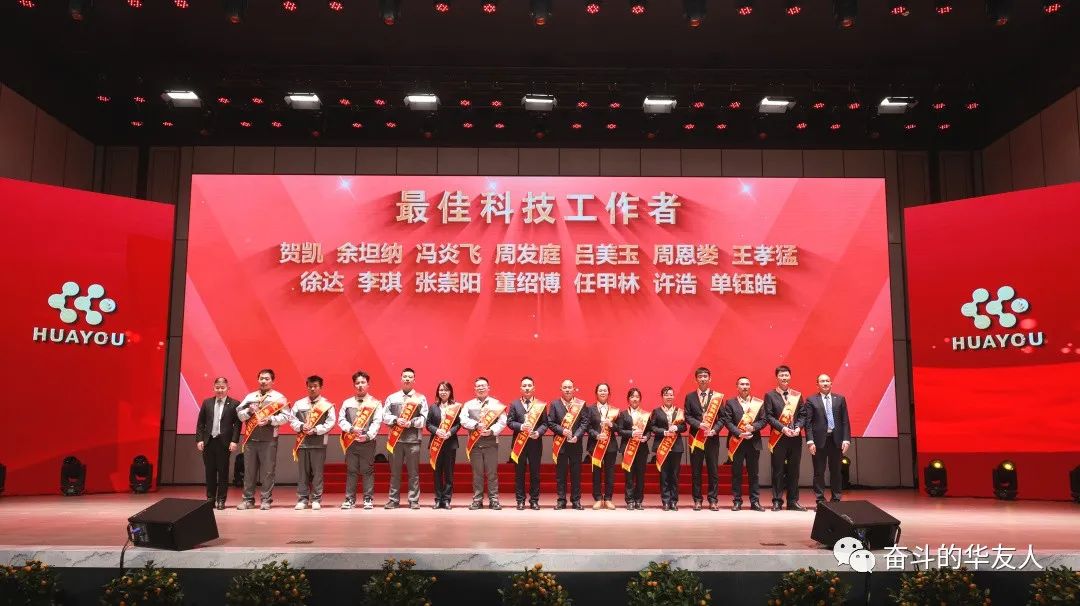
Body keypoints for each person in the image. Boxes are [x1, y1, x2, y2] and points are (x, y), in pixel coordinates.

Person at [236, 369, 290, 510]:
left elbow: (286, 417)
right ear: (258, 380)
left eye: (267, 378)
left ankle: (266, 500)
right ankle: (248, 500)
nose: (263, 381)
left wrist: (270, 420)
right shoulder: (250, 397)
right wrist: (249, 411)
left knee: (268, 471)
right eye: (261, 378)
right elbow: (239, 415)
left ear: (273, 381)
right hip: (251, 439)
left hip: (269, 440)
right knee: (249, 471)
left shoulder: (279, 398)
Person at [383, 367, 429, 510]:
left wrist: (411, 423)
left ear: (414, 380)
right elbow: (385, 416)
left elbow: (424, 418)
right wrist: (396, 420)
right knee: (395, 473)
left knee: (413, 473)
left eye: (410, 377)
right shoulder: (392, 397)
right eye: (405, 376)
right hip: (395, 440)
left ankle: (413, 500)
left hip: (413, 440)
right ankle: (393, 500)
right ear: (401, 379)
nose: (407, 379)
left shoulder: (420, 398)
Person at [764, 365, 809, 511]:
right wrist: (783, 428)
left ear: (790, 377)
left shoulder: (797, 395)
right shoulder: (770, 395)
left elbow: (803, 415)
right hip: (778, 437)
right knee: (778, 470)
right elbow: (769, 416)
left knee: (794, 470)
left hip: (795, 437)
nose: (784, 378)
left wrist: (798, 428)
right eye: (781, 375)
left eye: (786, 375)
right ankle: (777, 500)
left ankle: (793, 501)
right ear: (777, 377)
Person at [288, 375, 336, 511]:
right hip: (302, 443)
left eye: (315, 386)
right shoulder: (299, 404)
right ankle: (302, 499)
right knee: (303, 473)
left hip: (319, 443)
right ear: (307, 387)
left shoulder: (327, 405)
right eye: (310, 386)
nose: (312, 389)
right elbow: (292, 420)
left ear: (320, 387)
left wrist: (316, 430)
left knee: (317, 473)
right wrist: (301, 426)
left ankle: (316, 499)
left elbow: (330, 422)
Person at [459, 377, 508, 510]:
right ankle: (477, 500)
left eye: (483, 386)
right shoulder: (468, 404)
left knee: (492, 473)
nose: (481, 388)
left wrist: (491, 431)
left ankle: (494, 500)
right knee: (477, 473)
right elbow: (462, 419)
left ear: (488, 388)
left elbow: (503, 421)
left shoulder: (496, 404)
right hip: (475, 443)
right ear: (475, 389)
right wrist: (476, 425)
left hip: (491, 441)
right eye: (478, 386)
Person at [338, 370, 382, 510]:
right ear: (354, 385)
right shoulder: (347, 402)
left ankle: (368, 499)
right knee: (351, 470)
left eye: (363, 382)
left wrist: (368, 436)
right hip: (351, 441)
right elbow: (341, 420)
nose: (360, 385)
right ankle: (349, 499)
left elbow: (377, 422)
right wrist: (351, 429)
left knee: (367, 470)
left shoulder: (375, 403)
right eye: (357, 383)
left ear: (368, 384)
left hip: (367, 441)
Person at [721, 377, 767, 512]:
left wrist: (753, 427)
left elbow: (764, 420)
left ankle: (755, 502)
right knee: (736, 473)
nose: (745, 386)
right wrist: (739, 433)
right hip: (736, 442)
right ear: (737, 387)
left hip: (753, 442)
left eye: (747, 384)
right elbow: (727, 421)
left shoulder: (758, 403)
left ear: (750, 386)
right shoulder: (730, 403)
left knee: (754, 474)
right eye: (742, 384)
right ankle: (737, 501)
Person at [805, 374, 851, 506]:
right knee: (819, 472)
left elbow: (845, 421)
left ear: (831, 383)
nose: (825, 383)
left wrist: (846, 439)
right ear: (817, 385)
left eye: (827, 381)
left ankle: (836, 499)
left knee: (836, 471)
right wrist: (810, 441)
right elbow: (808, 423)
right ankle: (820, 500)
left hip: (836, 440)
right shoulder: (811, 400)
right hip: (819, 441)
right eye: (822, 381)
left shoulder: (840, 399)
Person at [195, 377, 241, 510]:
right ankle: (210, 498)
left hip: (224, 443)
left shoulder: (234, 403)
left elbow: (237, 425)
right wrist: (199, 439)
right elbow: (201, 423)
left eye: (222, 388)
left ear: (228, 388)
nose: (220, 390)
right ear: (213, 388)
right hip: (209, 441)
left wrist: (234, 441)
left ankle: (221, 499)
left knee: (223, 472)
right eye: (217, 388)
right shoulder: (207, 402)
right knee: (209, 471)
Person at [684, 366, 723, 511]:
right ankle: (697, 500)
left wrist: (714, 430)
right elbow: (687, 416)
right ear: (696, 379)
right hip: (696, 439)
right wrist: (699, 424)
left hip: (712, 438)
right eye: (700, 376)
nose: (703, 379)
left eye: (705, 376)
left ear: (710, 379)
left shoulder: (717, 397)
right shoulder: (690, 396)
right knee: (696, 471)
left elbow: (722, 418)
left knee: (713, 471)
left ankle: (713, 500)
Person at [506, 376, 548, 510]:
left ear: (534, 388)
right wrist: (520, 426)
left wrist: (538, 432)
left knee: (535, 473)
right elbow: (509, 422)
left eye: (529, 385)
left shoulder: (541, 405)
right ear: (520, 389)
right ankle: (520, 500)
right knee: (519, 473)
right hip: (519, 443)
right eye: (524, 386)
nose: (527, 388)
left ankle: (534, 500)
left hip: (535, 443)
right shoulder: (514, 404)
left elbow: (545, 424)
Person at [549, 379, 587, 510]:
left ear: (573, 389)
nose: (567, 390)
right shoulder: (555, 404)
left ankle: (576, 500)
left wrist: (577, 435)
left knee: (576, 474)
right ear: (561, 389)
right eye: (565, 387)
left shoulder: (581, 404)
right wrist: (562, 430)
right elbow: (551, 422)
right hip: (560, 444)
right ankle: (561, 500)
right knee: (561, 475)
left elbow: (584, 422)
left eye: (569, 387)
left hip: (576, 444)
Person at [426, 381, 461, 510]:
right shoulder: (433, 407)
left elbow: (459, 424)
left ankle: (446, 500)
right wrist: (437, 431)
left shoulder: (456, 407)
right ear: (438, 392)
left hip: (450, 444)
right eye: (441, 390)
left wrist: (450, 432)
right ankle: (437, 499)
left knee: (449, 473)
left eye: (446, 390)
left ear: (450, 392)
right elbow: (428, 424)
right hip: (436, 443)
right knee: (436, 473)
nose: (443, 392)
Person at [650, 386, 685, 511]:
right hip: (662, 446)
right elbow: (652, 427)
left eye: (671, 394)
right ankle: (665, 501)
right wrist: (664, 432)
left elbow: (684, 427)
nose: (669, 397)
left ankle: (674, 501)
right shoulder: (656, 411)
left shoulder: (679, 411)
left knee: (674, 475)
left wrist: (677, 428)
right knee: (664, 475)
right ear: (662, 397)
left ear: (673, 396)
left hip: (676, 447)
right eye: (666, 394)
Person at [586, 383, 619, 510]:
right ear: (596, 393)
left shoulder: (614, 410)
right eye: (600, 390)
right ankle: (598, 499)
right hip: (595, 445)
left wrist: (611, 425)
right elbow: (587, 427)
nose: (603, 392)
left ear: (608, 393)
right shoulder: (590, 409)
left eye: (605, 390)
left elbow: (619, 428)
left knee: (610, 473)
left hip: (610, 446)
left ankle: (608, 499)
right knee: (596, 473)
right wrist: (596, 435)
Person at [616, 387, 650, 510]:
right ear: (628, 399)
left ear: (640, 399)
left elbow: (649, 430)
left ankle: (638, 501)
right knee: (629, 476)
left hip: (642, 448)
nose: (635, 399)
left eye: (637, 397)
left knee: (640, 476)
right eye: (632, 397)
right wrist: (632, 433)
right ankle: (630, 500)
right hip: (627, 448)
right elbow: (619, 430)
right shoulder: (623, 414)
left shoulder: (646, 415)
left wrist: (646, 437)